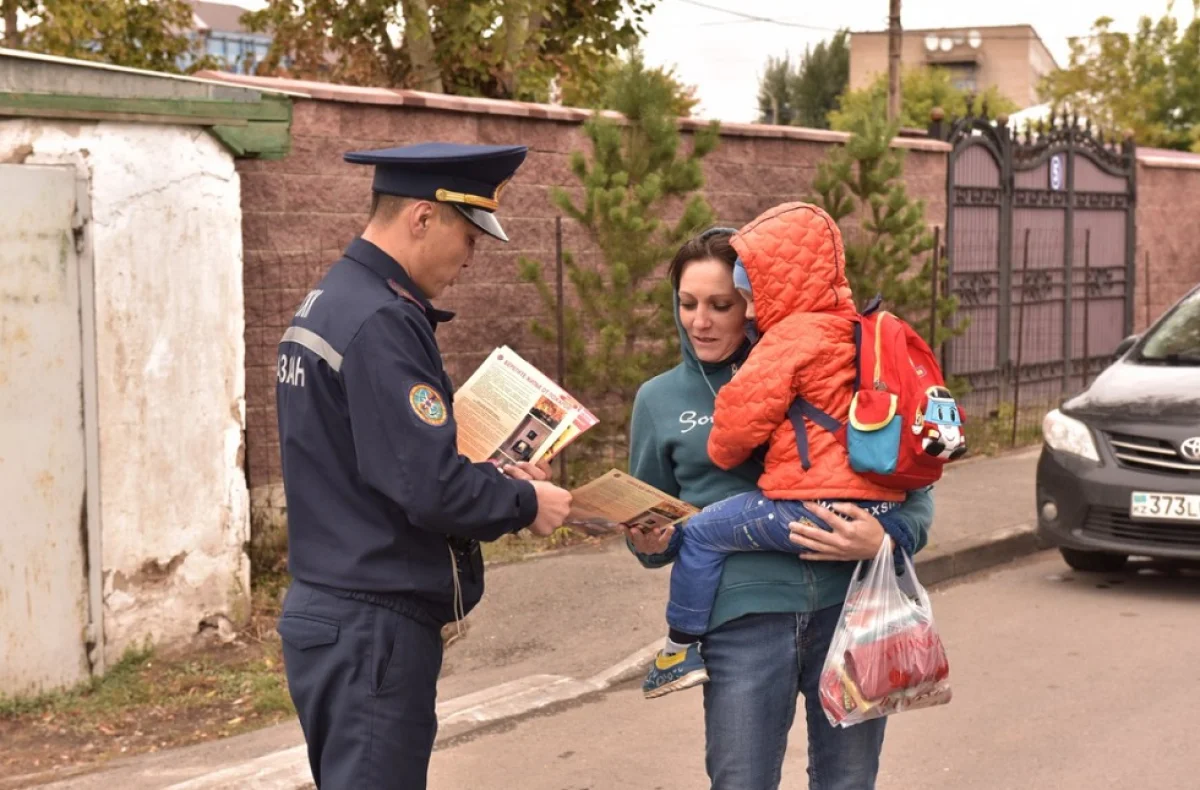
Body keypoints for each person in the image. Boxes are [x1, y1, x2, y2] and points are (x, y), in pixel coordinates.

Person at [274, 141, 573, 790]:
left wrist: (487, 476)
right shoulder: (383, 319)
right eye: (468, 237)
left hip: (337, 610)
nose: (470, 258)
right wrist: (526, 504)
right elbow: (428, 486)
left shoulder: (331, 300)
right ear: (421, 218)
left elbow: (378, 461)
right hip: (372, 623)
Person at [626, 224, 935, 790]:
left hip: (850, 612)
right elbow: (654, 529)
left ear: (753, 303)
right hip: (741, 628)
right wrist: (648, 538)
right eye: (688, 304)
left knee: (848, 781)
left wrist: (886, 541)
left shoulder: (834, 367)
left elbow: (914, 495)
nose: (701, 320)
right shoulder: (659, 400)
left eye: (721, 304)